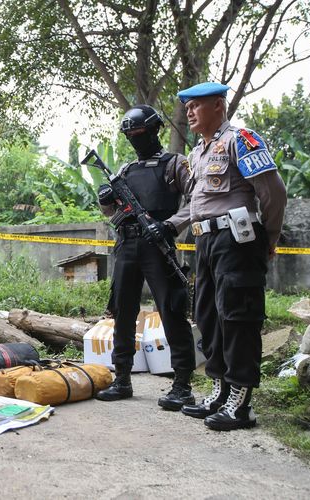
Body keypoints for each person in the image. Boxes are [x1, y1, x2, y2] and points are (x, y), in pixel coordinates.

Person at [174, 82, 286, 431]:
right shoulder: (199, 152)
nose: (189, 112)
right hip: (206, 243)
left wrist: (268, 237)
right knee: (209, 317)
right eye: (188, 107)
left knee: (238, 317)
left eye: (196, 105)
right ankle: (221, 390)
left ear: (219, 105)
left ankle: (241, 402)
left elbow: (273, 193)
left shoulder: (241, 139)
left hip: (237, 239)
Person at [94, 105, 197, 410]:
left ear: (154, 131)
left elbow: (196, 202)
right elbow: (114, 213)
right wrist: (105, 201)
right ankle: (122, 378)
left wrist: (169, 226)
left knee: (171, 311)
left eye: (139, 133)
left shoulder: (175, 164)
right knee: (122, 312)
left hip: (159, 245)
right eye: (130, 135)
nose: (135, 139)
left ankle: (182, 385)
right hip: (127, 245)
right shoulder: (125, 171)